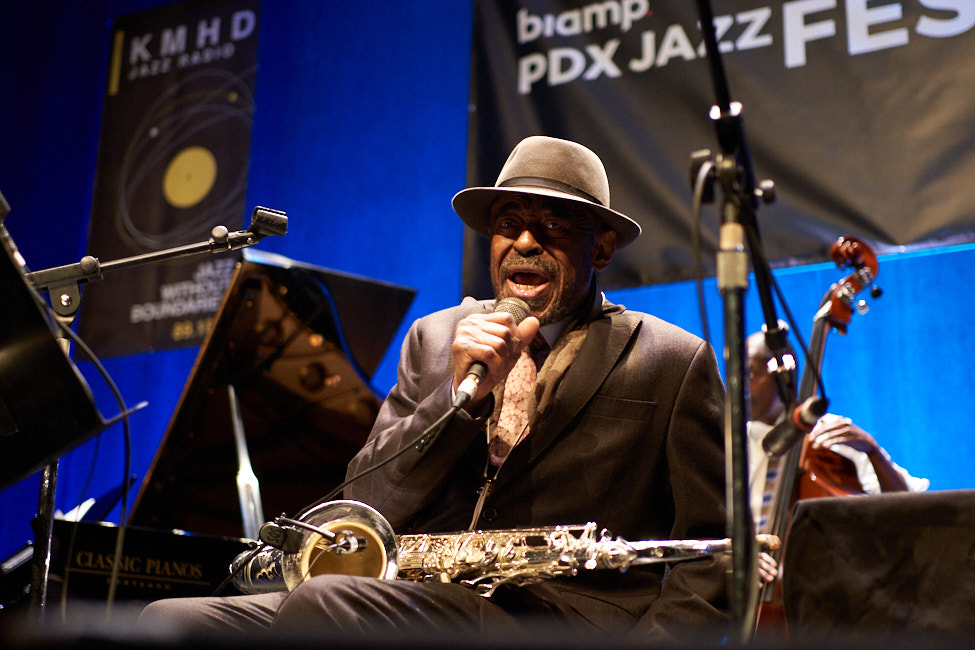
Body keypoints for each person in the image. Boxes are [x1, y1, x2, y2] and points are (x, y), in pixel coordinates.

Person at [138, 136, 731, 643]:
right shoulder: (435, 337)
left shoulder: (671, 359)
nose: (525, 243)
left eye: (552, 227)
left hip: (560, 620)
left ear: (600, 247)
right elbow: (366, 504)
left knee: (328, 604)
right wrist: (456, 397)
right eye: (508, 225)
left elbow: (718, 556)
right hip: (421, 594)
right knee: (170, 622)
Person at [745, 329, 928, 584]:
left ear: (784, 377)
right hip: (750, 598)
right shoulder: (730, 444)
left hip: (830, 592)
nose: (738, 385)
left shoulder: (830, 435)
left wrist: (873, 452)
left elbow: (908, 509)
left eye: (749, 373)